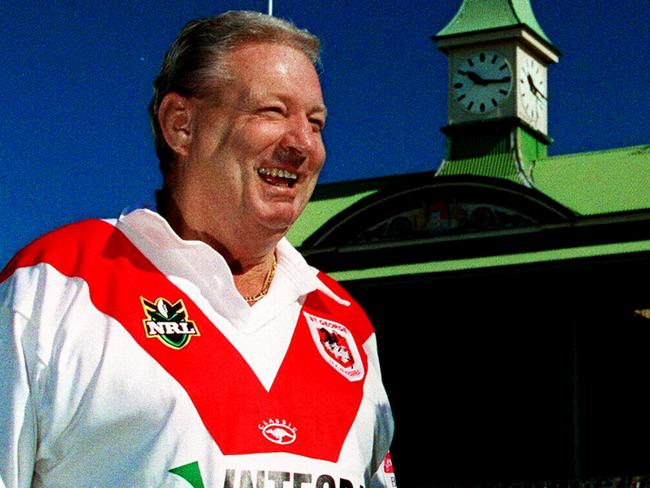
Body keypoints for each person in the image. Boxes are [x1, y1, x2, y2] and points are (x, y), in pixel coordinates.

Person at [0, 10, 396, 488]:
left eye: (316, 123)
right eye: (272, 111)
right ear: (180, 125)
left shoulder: (347, 325)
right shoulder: (52, 286)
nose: (303, 144)